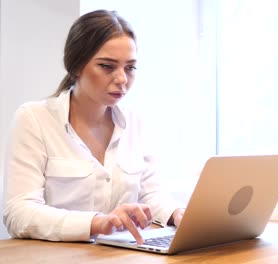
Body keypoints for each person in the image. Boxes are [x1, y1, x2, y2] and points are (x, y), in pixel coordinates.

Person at [3, 9, 185, 245]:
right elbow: (19, 212)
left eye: (130, 68)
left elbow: (150, 194)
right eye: (107, 66)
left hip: (122, 256)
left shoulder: (134, 122)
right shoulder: (34, 119)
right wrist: (97, 223)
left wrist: (176, 214)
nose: (122, 79)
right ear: (76, 66)